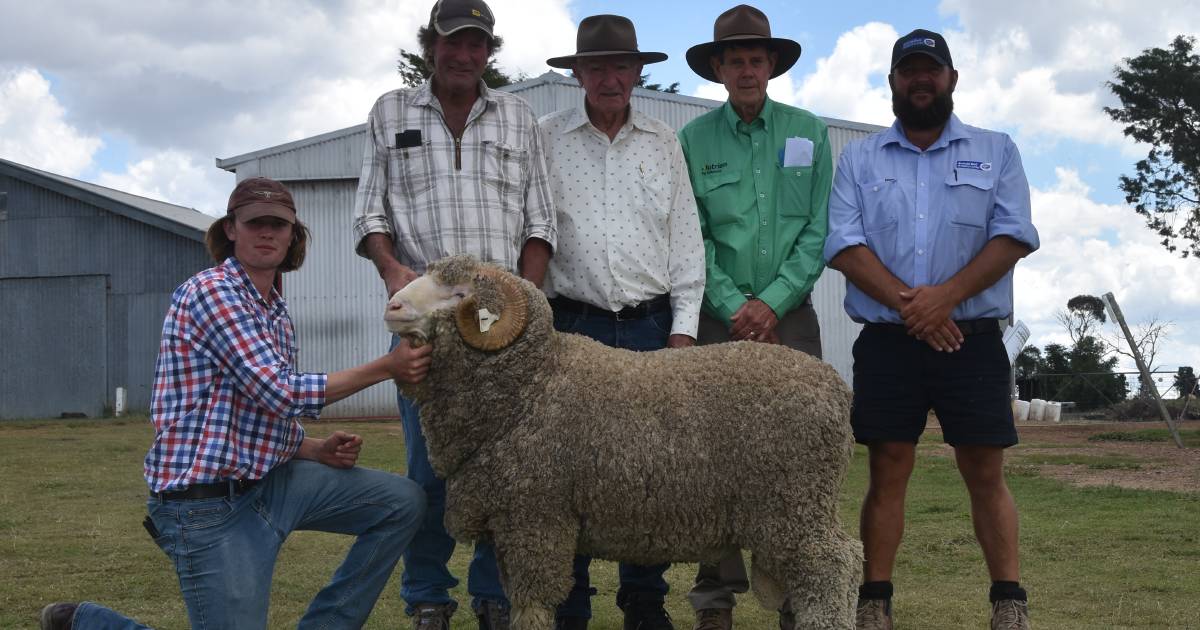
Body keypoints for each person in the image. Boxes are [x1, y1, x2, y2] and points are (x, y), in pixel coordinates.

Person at [40, 177, 433, 630]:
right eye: (255, 223)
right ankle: (88, 623)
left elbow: (257, 409)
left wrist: (312, 449)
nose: (267, 233)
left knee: (401, 501)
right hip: (206, 506)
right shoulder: (213, 292)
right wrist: (389, 366)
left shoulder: (272, 308)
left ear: (293, 236)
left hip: (271, 484)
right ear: (231, 229)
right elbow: (280, 391)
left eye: (278, 225)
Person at [823, 29, 1039, 630]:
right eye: (908, 71)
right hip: (889, 343)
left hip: (972, 340)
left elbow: (1013, 235)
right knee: (887, 465)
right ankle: (875, 605)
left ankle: (1008, 604)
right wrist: (917, 308)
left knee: (984, 469)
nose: (921, 80)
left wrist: (946, 299)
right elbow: (843, 245)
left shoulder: (998, 150)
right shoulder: (860, 158)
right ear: (893, 81)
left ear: (952, 79)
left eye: (931, 70)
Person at [351, 0, 556, 628]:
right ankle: (427, 599)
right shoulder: (390, 113)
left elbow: (540, 221)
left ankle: (494, 597)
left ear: (489, 51)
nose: (464, 56)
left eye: (476, 45)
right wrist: (394, 272)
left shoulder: (520, 118)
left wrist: (524, 305)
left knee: (506, 469)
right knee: (427, 471)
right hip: (428, 326)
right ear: (431, 45)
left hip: (500, 331)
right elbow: (369, 215)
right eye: (452, 43)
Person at [538, 14, 705, 630]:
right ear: (577, 73)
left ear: (639, 72)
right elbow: (533, 230)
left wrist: (683, 328)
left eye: (621, 66)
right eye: (597, 66)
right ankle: (569, 603)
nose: (610, 78)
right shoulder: (545, 139)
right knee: (566, 469)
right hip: (568, 326)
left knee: (649, 470)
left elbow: (686, 240)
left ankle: (644, 601)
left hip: (648, 326)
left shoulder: (664, 142)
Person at [676, 5, 831, 629]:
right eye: (734, 60)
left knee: (795, 459)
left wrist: (774, 301)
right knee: (712, 459)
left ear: (773, 66)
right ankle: (714, 597)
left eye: (755, 59)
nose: (746, 69)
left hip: (790, 317)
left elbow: (819, 229)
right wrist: (733, 306)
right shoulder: (692, 140)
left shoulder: (809, 131)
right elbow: (691, 236)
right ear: (717, 69)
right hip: (719, 319)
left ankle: (796, 592)